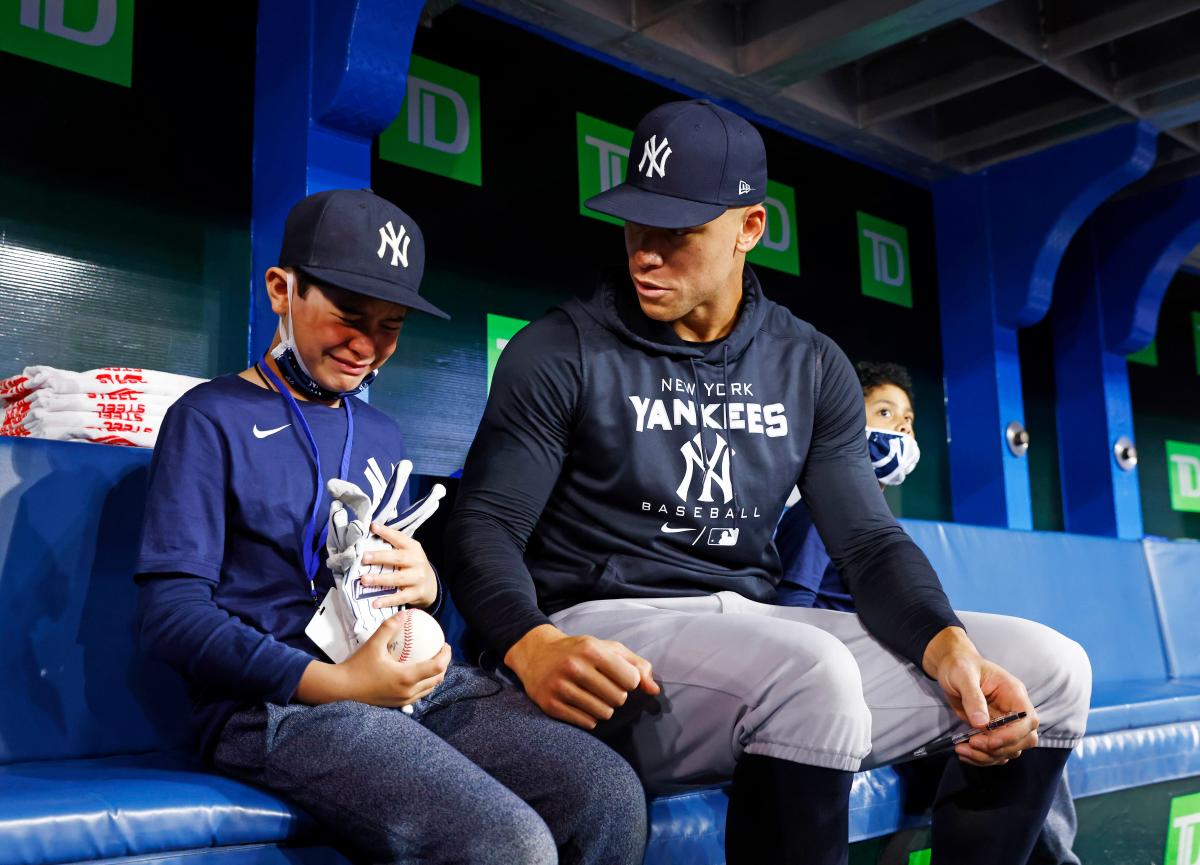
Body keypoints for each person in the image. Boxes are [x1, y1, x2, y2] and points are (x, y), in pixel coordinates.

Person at [446, 100, 1091, 865]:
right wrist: (530, 640)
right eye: (635, 224)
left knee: (1050, 667)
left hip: (751, 632)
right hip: (609, 641)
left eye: (677, 233)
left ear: (748, 228)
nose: (645, 255)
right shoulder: (560, 348)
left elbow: (869, 541)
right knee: (810, 674)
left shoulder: (808, 362)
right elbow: (481, 522)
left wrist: (946, 644)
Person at [134, 189, 646, 865]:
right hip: (276, 704)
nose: (366, 345)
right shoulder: (209, 417)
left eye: (390, 325)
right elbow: (171, 615)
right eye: (348, 315)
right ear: (282, 290)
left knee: (607, 794)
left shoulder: (378, 430)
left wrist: (428, 586)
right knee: (506, 843)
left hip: (405, 686)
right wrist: (337, 684)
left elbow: (385, 594)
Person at [775, 359, 1083, 865]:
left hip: (883, 675)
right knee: (1003, 721)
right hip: (838, 685)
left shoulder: (875, 521)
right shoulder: (817, 509)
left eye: (908, 418)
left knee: (1021, 713)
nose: (900, 425)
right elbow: (788, 611)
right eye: (884, 411)